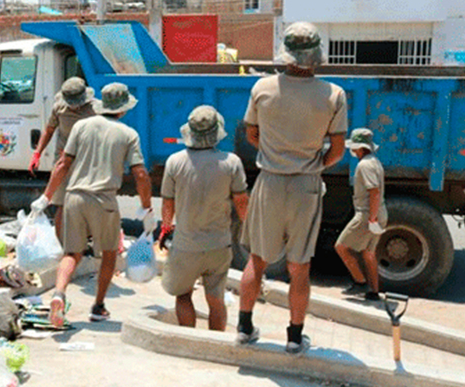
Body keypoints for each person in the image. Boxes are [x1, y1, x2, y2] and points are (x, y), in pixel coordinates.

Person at [237, 21, 348, 354]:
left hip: (269, 182)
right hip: (306, 187)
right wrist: (311, 165)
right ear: (315, 56)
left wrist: (275, 157)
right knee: (299, 267)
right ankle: (294, 337)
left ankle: (244, 328)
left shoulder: (262, 88)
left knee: (256, 260)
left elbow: (252, 135)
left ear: (286, 54)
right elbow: (338, 151)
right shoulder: (333, 94)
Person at [31, 83, 154, 325]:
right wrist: (146, 207)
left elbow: (63, 164)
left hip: (74, 197)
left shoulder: (80, 126)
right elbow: (140, 174)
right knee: (108, 254)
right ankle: (98, 306)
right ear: (123, 109)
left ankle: (58, 294)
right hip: (104, 200)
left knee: (71, 253)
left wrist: (46, 196)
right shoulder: (128, 134)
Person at [159, 106, 249, 330]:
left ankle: (189, 338)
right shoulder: (232, 163)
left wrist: (166, 229)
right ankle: (215, 341)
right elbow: (241, 202)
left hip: (186, 245)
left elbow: (168, 203)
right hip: (219, 245)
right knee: (216, 299)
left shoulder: (174, 162)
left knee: (182, 295)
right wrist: (249, 231)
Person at [29, 77, 98, 241]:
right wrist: (37, 153)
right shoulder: (59, 106)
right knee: (61, 204)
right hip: (64, 160)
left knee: (88, 203)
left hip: (87, 161)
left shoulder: (95, 109)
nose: (75, 106)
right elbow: (49, 129)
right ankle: (61, 246)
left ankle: (88, 242)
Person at [335, 128, 388, 300]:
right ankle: (373, 292)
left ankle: (360, 282)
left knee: (341, 247)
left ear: (359, 148)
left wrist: (371, 218)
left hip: (366, 214)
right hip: (380, 212)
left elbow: (374, 191)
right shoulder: (375, 161)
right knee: (368, 253)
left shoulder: (364, 165)